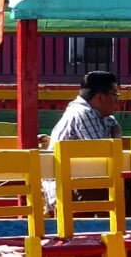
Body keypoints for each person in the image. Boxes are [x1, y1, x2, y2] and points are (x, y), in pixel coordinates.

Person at [42, 71, 123, 213]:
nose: (117, 100)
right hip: (65, 191)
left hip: (84, 183)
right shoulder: (83, 114)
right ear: (99, 97)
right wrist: (117, 139)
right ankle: (118, 232)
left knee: (129, 189)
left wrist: (116, 133)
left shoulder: (100, 114)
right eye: (114, 95)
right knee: (125, 193)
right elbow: (104, 157)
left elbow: (114, 125)